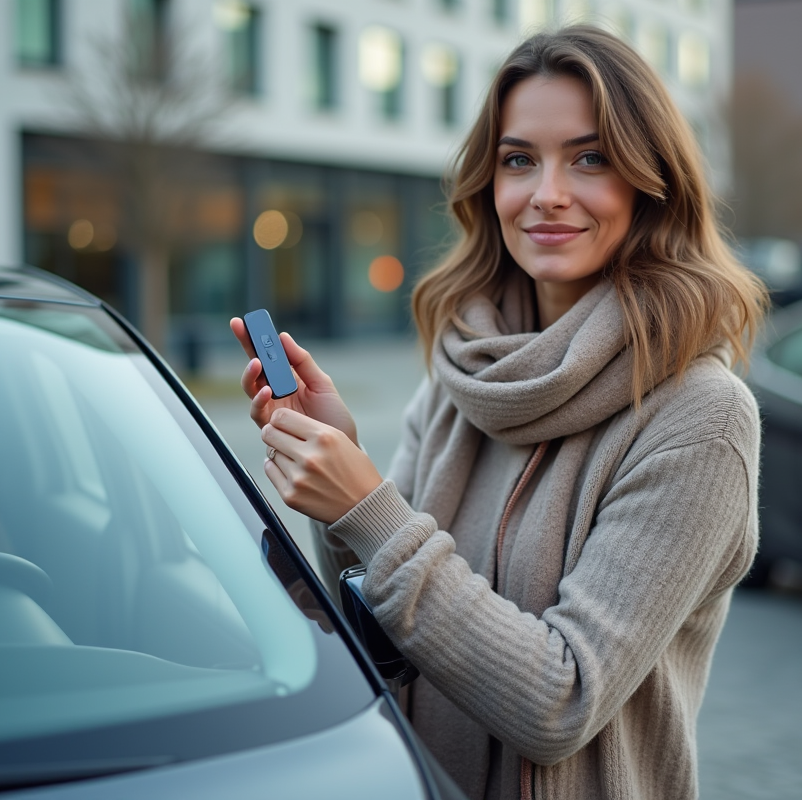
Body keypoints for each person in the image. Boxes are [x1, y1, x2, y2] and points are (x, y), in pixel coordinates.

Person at [231, 25, 767, 800]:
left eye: (590, 158)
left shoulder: (702, 418)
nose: (547, 192)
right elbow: (379, 633)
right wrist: (339, 478)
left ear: (651, 184)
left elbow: (562, 701)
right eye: (519, 160)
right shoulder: (461, 378)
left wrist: (368, 506)